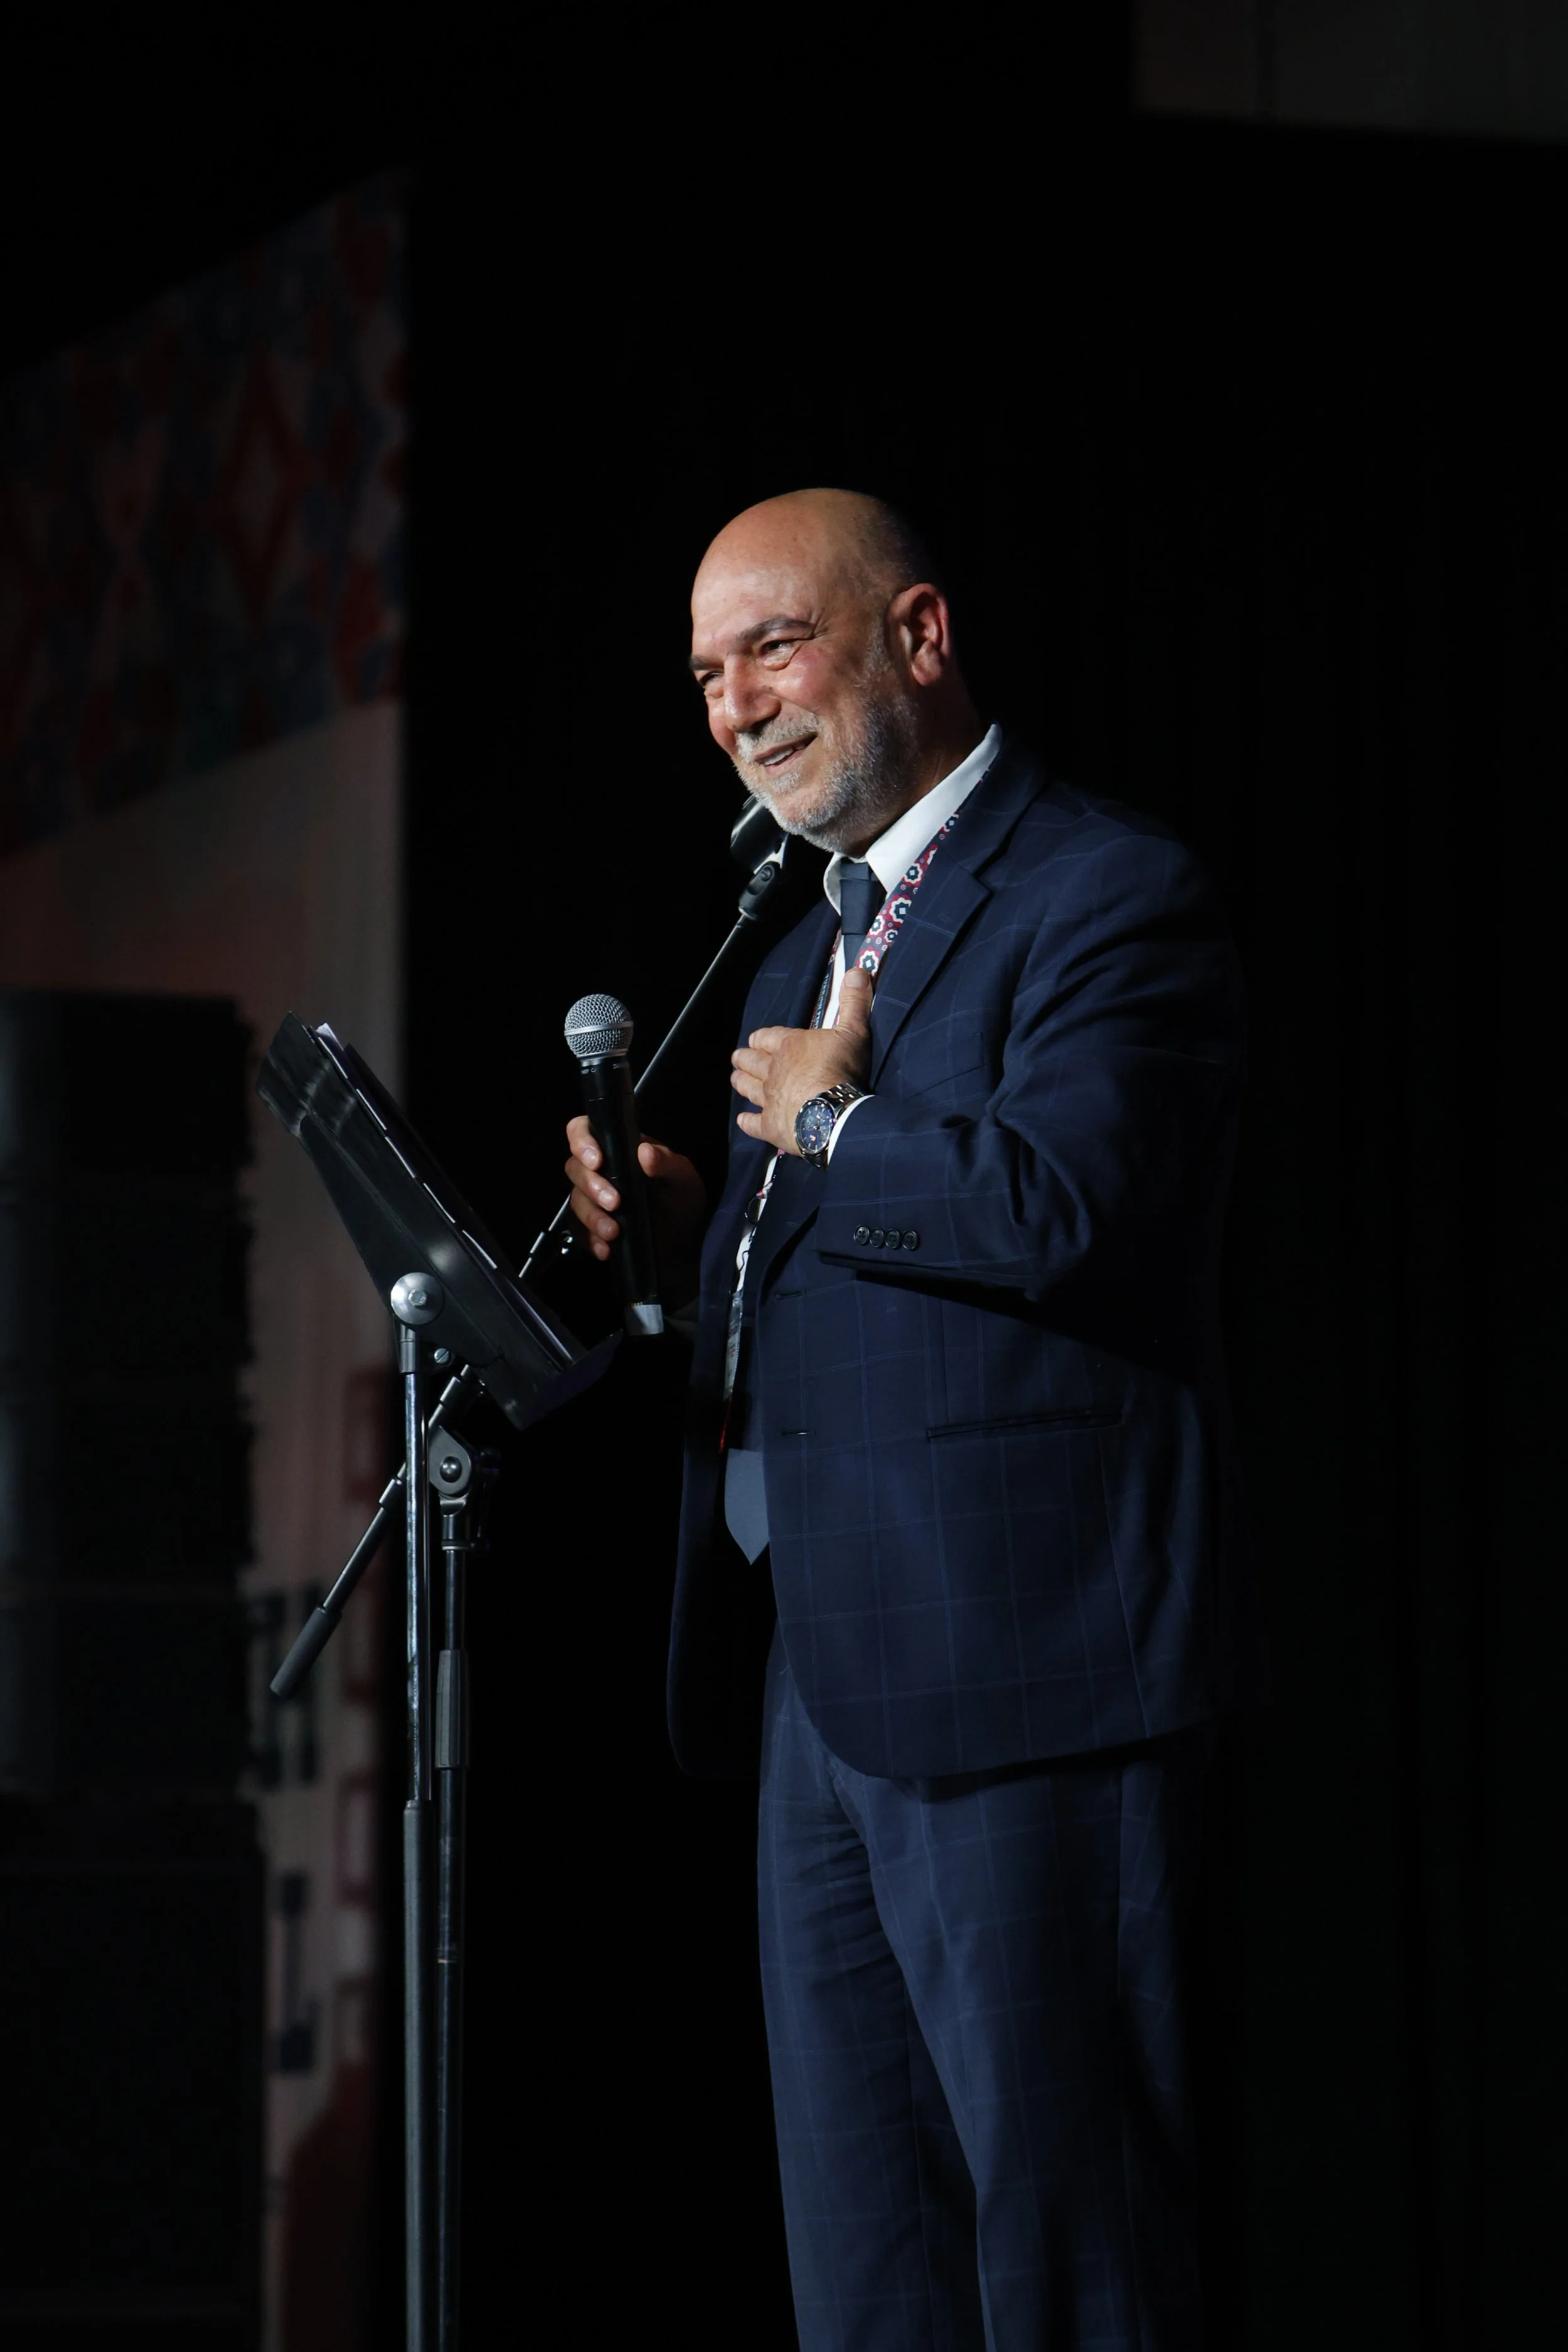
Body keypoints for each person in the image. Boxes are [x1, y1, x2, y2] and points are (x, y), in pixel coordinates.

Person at [564, 488, 1263, 2350]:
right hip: (823, 1673)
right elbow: (823, 1275)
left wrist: (838, 1129)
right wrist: (684, 1232)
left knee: (1070, 2255)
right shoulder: (803, 948)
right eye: (707, 675)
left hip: (1027, 1673)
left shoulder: (1106, 892)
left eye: (773, 646)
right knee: (867, 2266)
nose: (735, 705)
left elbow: (1069, 1208)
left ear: (918, 636)